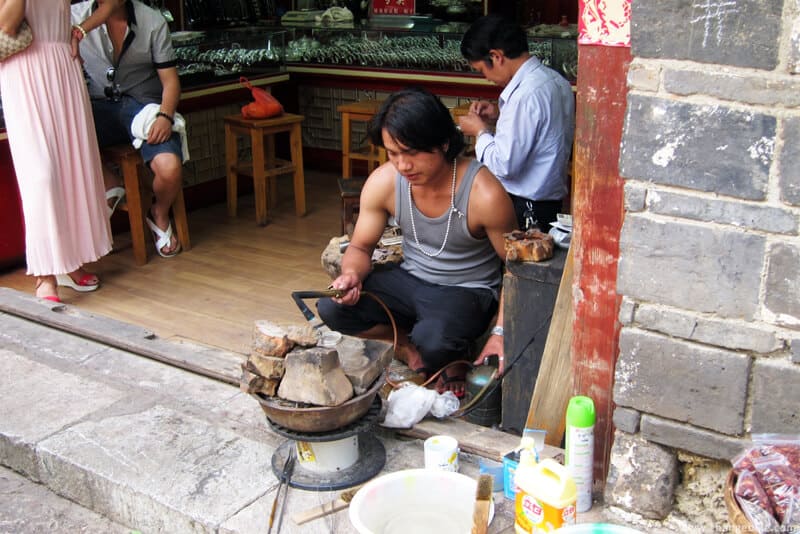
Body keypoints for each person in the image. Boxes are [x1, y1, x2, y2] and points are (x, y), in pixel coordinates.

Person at [318, 87, 517, 396]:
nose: (403, 165)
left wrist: (501, 333)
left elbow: (516, 269)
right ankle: (407, 346)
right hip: (411, 280)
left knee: (435, 340)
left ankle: (447, 353)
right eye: (393, 153)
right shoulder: (385, 181)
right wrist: (352, 275)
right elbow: (360, 247)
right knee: (332, 308)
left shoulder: (484, 193)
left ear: (444, 143)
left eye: (412, 153)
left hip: (466, 290)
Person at [0, 0, 124, 302]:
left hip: (63, 66)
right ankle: (45, 274)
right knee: (40, 174)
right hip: (23, 70)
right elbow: (7, 25)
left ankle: (71, 262)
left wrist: (82, 29)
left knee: (71, 168)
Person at [72, 0, 184, 258]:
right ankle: (110, 182)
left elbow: (171, 82)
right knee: (63, 134)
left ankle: (159, 212)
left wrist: (165, 116)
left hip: (144, 107)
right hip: (98, 108)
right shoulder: (74, 18)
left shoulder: (152, 20)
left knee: (169, 167)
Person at [459, 14, 575, 232]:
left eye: (482, 70)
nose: (486, 78)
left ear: (496, 56)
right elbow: (540, 132)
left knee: (515, 264)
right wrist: (498, 115)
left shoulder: (524, 95)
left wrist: (480, 132)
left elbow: (504, 166)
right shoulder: (555, 80)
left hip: (525, 207)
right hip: (547, 203)